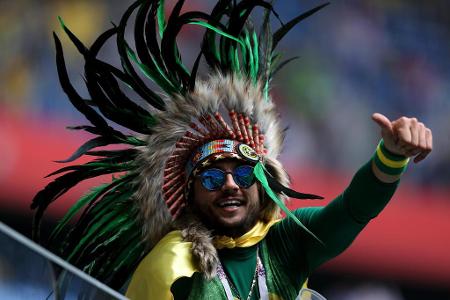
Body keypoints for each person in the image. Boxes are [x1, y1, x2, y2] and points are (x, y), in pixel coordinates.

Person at [31, 1, 432, 299]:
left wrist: (391, 155)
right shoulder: (171, 268)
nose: (229, 184)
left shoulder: (284, 245)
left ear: (264, 180)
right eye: (210, 175)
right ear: (188, 193)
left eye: (243, 172)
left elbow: (352, 210)